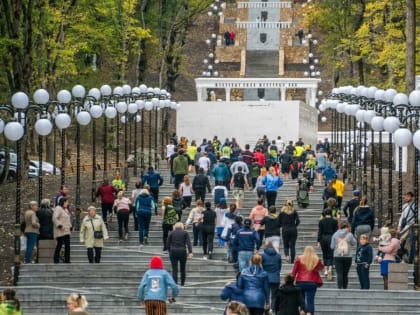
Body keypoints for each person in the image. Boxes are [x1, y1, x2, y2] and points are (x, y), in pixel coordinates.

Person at [291, 246, 323, 315]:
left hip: (300, 282)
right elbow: (321, 267)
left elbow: (294, 272)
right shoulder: (316, 259)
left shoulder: (299, 259)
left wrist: (291, 281)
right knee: (310, 301)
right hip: (312, 282)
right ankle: (310, 313)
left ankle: (302, 312)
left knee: (301, 301)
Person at [330, 222, 357, 289]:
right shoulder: (350, 235)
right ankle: (345, 288)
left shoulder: (335, 234)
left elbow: (332, 247)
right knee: (345, 273)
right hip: (348, 256)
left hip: (337, 256)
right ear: (347, 227)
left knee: (339, 273)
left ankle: (339, 287)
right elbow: (354, 243)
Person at [317, 208, 338, 280]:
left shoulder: (321, 221)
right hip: (331, 238)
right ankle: (330, 268)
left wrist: (318, 241)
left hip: (323, 238)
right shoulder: (334, 221)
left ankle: (325, 269)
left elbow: (320, 232)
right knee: (331, 253)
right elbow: (336, 231)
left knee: (325, 254)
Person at [261, 242, 282, 312]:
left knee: (265, 294)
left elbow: (261, 266)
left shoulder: (263, 255)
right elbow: (279, 267)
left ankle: (266, 308)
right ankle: (272, 310)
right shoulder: (278, 255)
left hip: (265, 278)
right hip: (275, 278)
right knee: (274, 296)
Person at [278, 199, 300, 264]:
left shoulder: (282, 212)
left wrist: (282, 225)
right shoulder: (294, 211)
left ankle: (287, 256)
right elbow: (298, 220)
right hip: (293, 229)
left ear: (285, 204)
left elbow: (278, 221)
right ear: (292, 204)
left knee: (286, 245)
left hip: (285, 229)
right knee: (292, 246)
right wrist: (295, 225)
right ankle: (292, 261)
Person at [397, 191, 415, 263]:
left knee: (412, 244)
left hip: (412, 226)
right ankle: (403, 254)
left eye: (408, 196)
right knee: (399, 242)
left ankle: (410, 260)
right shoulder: (404, 206)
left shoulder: (415, 205)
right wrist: (399, 226)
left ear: (412, 197)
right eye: (406, 196)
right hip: (405, 226)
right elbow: (402, 217)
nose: (406, 197)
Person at [53, 197, 72, 263]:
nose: (68, 203)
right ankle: (56, 259)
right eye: (67, 202)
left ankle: (67, 260)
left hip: (66, 231)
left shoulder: (66, 210)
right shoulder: (58, 208)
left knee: (67, 245)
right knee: (59, 245)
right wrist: (59, 225)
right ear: (63, 202)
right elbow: (55, 218)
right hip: (60, 230)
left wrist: (70, 226)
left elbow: (67, 219)